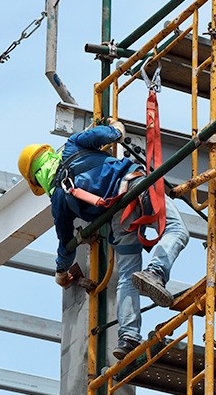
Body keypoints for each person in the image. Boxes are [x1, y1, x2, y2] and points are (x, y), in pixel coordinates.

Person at [18, 118, 189, 359]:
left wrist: (60, 273)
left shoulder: (58, 198)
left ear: (36, 180)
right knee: (177, 230)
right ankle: (156, 272)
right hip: (134, 187)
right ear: (47, 153)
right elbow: (113, 135)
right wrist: (114, 124)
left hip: (118, 216)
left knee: (128, 273)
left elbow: (65, 244)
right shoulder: (73, 145)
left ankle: (128, 337)